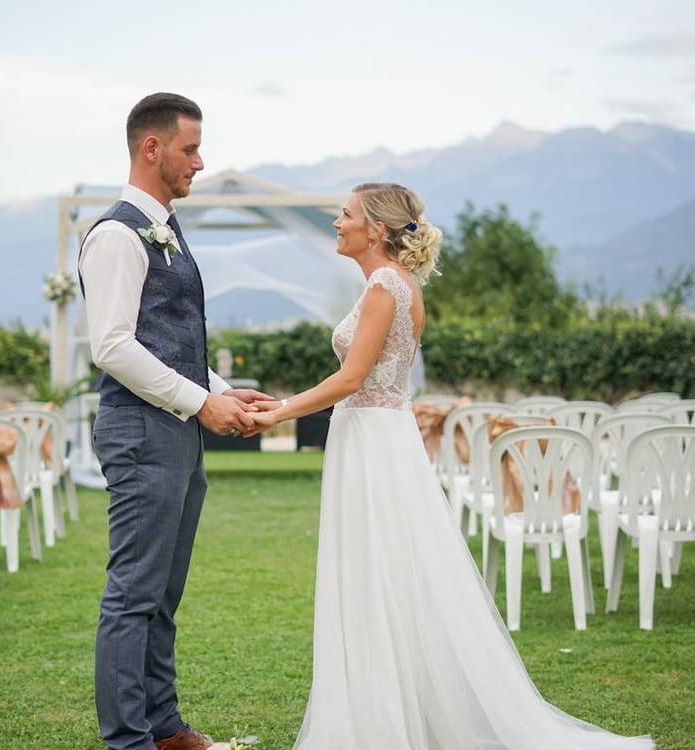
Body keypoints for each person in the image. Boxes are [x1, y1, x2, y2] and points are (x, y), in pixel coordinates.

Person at [251, 183, 655, 750]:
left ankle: (382, 722)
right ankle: (396, 710)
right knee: (386, 569)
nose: (337, 224)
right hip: (378, 435)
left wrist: (278, 412)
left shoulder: (384, 287)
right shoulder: (398, 284)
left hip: (373, 440)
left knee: (377, 570)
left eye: (345, 215)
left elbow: (351, 378)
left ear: (376, 228)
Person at [78, 92, 272, 750]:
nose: (200, 162)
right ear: (152, 148)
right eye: (190, 149)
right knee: (134, 593)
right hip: (141, 431)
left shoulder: (168, 227)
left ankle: (164, 728)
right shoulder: (115, 235)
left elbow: (168, 340)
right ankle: (129, 741)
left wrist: (225, 392)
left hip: (176, 430)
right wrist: (200, 402)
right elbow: (112, 346)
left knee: (163, 593)